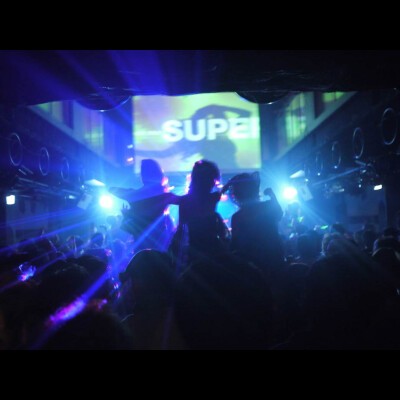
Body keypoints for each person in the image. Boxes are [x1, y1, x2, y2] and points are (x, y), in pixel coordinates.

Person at [223, 171, 285, 279]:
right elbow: (279, 214)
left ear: (237, 195)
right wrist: (272, 196)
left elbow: (235, 245)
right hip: (274, 261)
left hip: (251, 267)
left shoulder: (237, 217)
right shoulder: (267, 206)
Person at [109, 159, 176, 252]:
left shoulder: (136, 194)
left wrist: (129, 212)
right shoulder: (164, 195)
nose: (141, 174)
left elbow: (111, 189)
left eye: (142, 171)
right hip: (159, 240)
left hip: (141, 240)